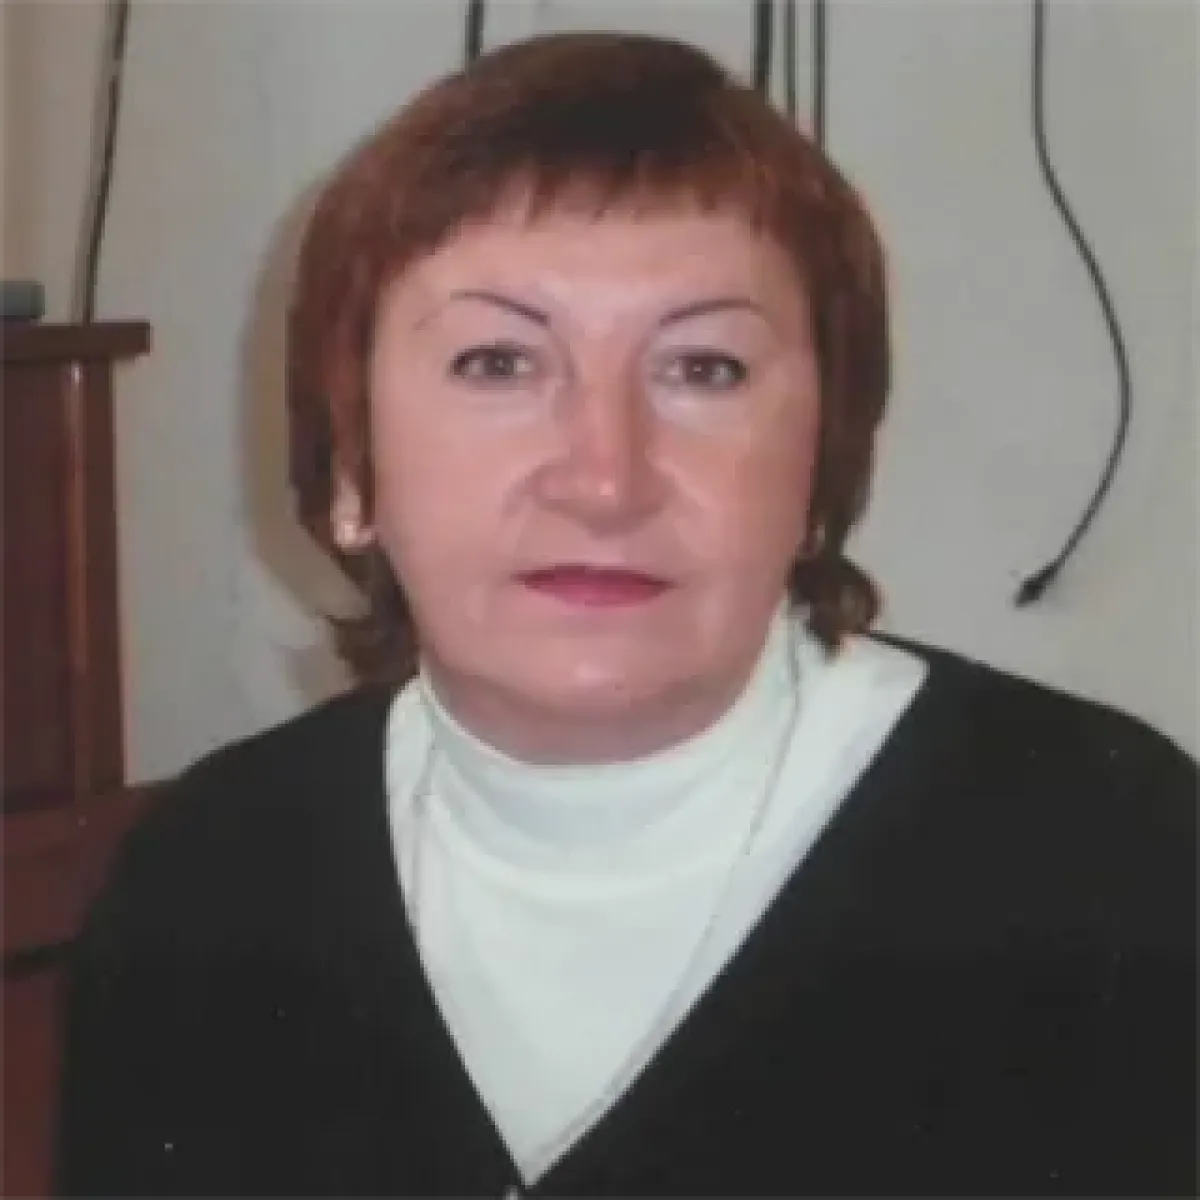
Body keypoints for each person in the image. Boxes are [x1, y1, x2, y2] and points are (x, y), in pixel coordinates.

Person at [55, 30, 1200, 1200]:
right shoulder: (207, 879)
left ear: (819, 468)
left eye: (703, 369)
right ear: (353, 465)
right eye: (497, 364)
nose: (604, 479)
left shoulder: (1112, 856)